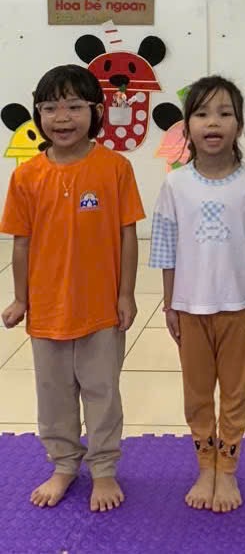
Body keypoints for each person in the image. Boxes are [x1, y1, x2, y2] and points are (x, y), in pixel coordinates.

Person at [0, 65, 144, 512]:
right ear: (38, 114)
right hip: (47, 311)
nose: (62, 118)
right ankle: (63, 464)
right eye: (50, 108)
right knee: (54, 395)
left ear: (96, 111)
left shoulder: (115, 168)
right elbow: (20, 243)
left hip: (101, 309)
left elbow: (127, 234)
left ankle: (103, 468)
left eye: (74, 106)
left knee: (102, 393)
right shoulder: (26, 176)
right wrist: (21, 298)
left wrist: (126, 294)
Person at [149, 75, 245, 513]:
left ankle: (227, 468)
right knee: (197, 392)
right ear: (187, 125)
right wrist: (169, 305)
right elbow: (166, 248)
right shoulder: (175, 185)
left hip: (238, 308)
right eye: (202, 113)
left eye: (225, 114)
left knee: (236, 393)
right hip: (189, 308)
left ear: (238, 125)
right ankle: (204, 464)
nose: (213, 122)